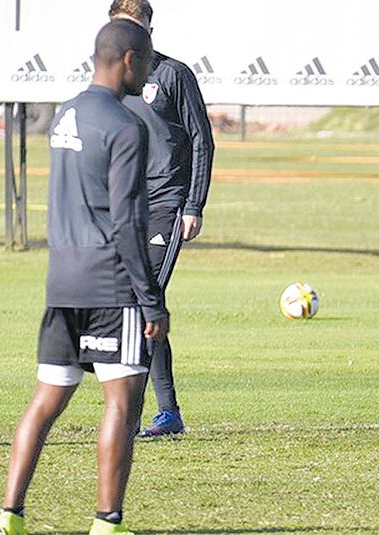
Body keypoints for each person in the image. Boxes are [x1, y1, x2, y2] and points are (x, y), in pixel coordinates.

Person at [0, 20, 167, 535]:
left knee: (46, 399)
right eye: (149, 57)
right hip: (111, 284)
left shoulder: (65, 114)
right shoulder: (125, 125)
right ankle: (107, 523)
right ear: (129, 60)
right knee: (123, 400)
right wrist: (151, 299)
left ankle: (10, 517)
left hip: (61, 281)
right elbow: (127, 219)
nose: (152, 68)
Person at [108, 0, 215, 437]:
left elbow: (202, 142)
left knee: (143, 301)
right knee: (133, 304)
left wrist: (193, 205)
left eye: (136, 25)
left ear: (149, 28)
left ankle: (141, 413)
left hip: (166, 205)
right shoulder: (112, 81)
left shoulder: (172, 74)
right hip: (125, 207)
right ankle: (166, 412)